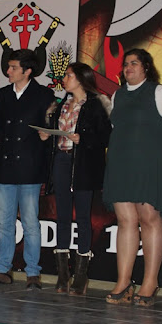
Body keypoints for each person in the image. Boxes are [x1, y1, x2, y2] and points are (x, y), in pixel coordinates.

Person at [103, 49, 162, 306]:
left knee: (149, 218)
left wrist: (160, 154)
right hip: (120, 164)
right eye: (125, 64)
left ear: (146, 67)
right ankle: (124, 282)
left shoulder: (158, 92)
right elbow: (117, 128)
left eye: (134, 63)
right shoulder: (117, 95)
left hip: (149, 165)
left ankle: (150, 282)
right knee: (125, 219)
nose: (128, 67)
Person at [0, 49, 56, 289]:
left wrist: (46, 137)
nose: (8, 71)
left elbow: (51, 127)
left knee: (30, 223)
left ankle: (33, 272)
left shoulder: (44, 95)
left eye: (13, 67)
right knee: (4, 222)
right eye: (9, 67)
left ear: (28, 71)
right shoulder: (2, 94)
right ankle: (2, 269)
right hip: (5, 166)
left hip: (30, 166)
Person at [41, 62, 112, 295]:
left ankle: (81, 275)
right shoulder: (61, 104)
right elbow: (55, 133)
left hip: (84, 164)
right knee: (62, 215)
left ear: (81, 79)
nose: (64, 79)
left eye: (69, 75)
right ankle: (63, 274)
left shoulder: (96, 104)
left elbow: (106, 136)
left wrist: (84, 139)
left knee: (82, 216)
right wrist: (47, 135)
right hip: (61, 161)